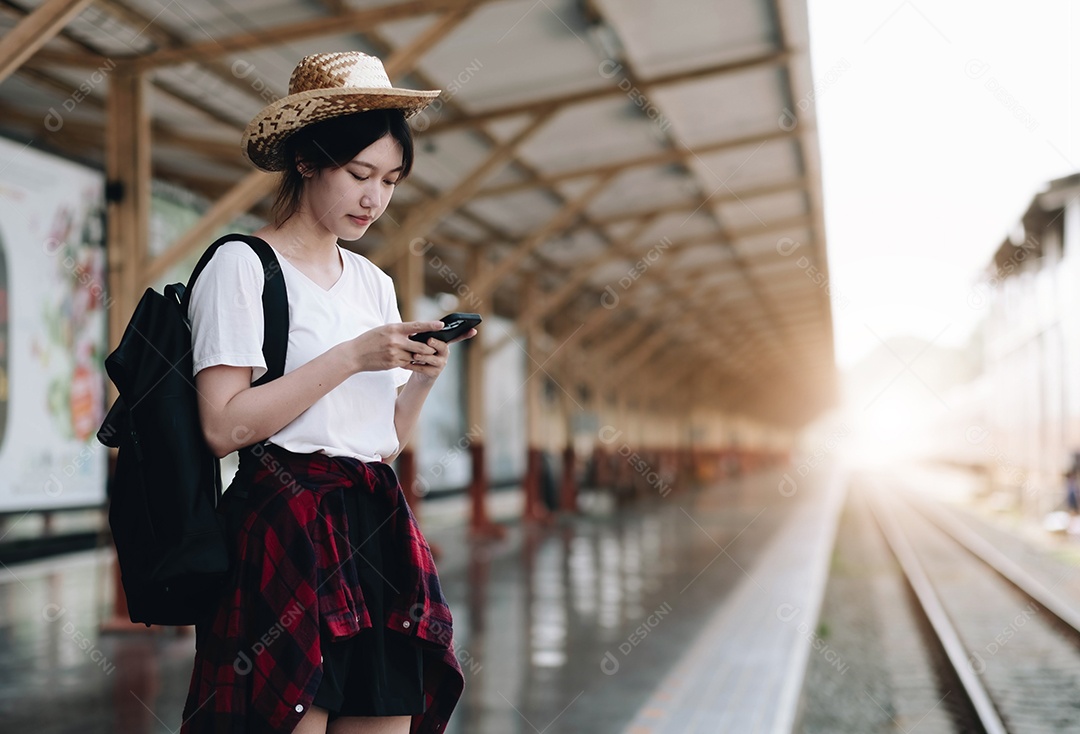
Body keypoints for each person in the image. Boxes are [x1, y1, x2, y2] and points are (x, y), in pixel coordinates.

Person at [180, 52, 469, 734]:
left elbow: (382, 441)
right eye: (358, 174)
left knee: (387, 716)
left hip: (375, 528)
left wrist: (422, 380)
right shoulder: (241, 267)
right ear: (307, 161)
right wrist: (351, 356)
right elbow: (223, 427)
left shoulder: (375, 283)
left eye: (391, 181)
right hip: (283, 521)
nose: (375, 199)